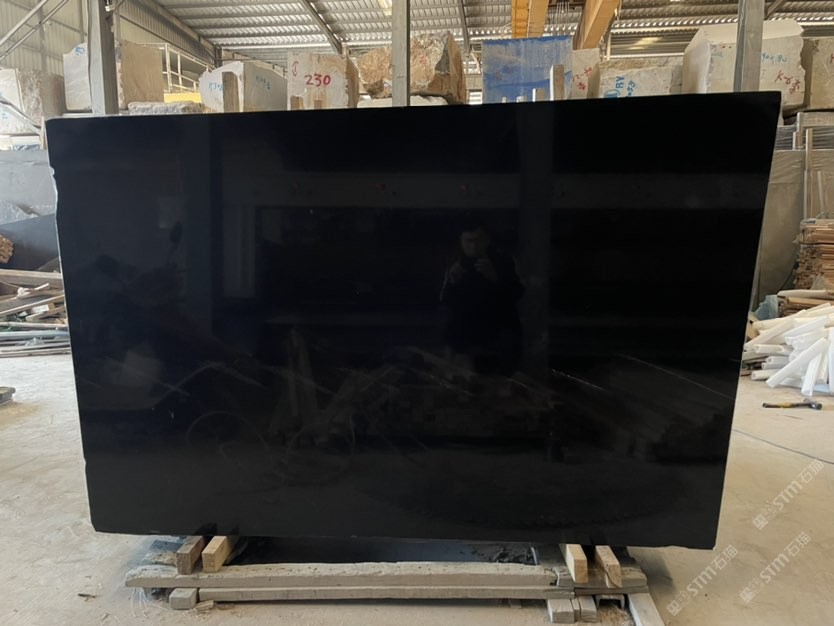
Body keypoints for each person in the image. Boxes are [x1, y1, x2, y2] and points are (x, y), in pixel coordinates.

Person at [440, 221, 523, 375]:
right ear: (461, 241)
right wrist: (453, 283)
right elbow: (445, 301)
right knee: (453, 337)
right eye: (468, 241)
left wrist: (495, 278)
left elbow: (516, 295)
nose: (473, 246)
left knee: (509, 342)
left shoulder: (504, 261)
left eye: (478, 240)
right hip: (465, 327)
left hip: (498, 325)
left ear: (487, 240)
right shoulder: (455, 263)